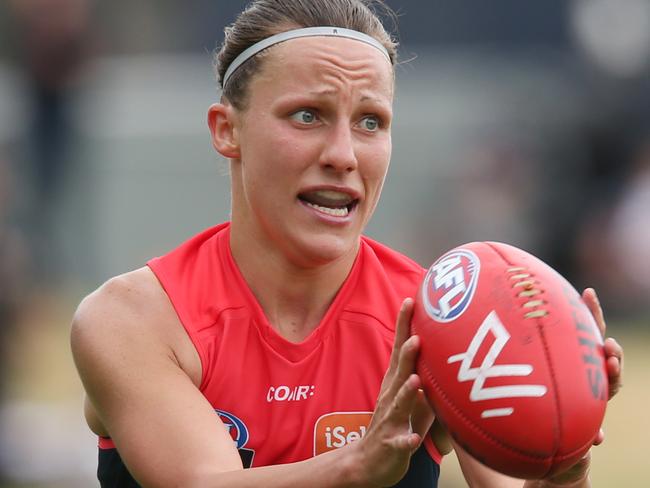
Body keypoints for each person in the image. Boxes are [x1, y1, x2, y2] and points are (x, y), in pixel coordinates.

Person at [70, 1, 624, 487]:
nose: (344, 154)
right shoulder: (134, 320)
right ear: (226, 130)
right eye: (307, 115)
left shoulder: (441, 322)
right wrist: (355, 468)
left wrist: (561, 469)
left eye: (370, 122)